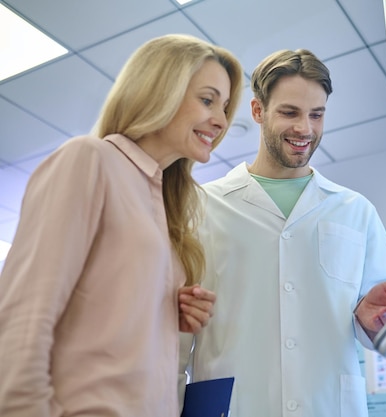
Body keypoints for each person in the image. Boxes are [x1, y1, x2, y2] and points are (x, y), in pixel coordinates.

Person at [0, 34, 244, 417]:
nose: (221, 120)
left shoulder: (165, 204)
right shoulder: (89, 160)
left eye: (225, 106)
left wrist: (166, 309)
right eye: (207, 99)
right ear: (159, 90)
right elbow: (24, 318)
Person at [179, 48, 386, 417]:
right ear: (257, 111)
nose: (305, 128)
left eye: (317, 115)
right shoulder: (203, 207)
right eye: (289, 112)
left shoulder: (355, 211)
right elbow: (175, 339)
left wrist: (377, 322)